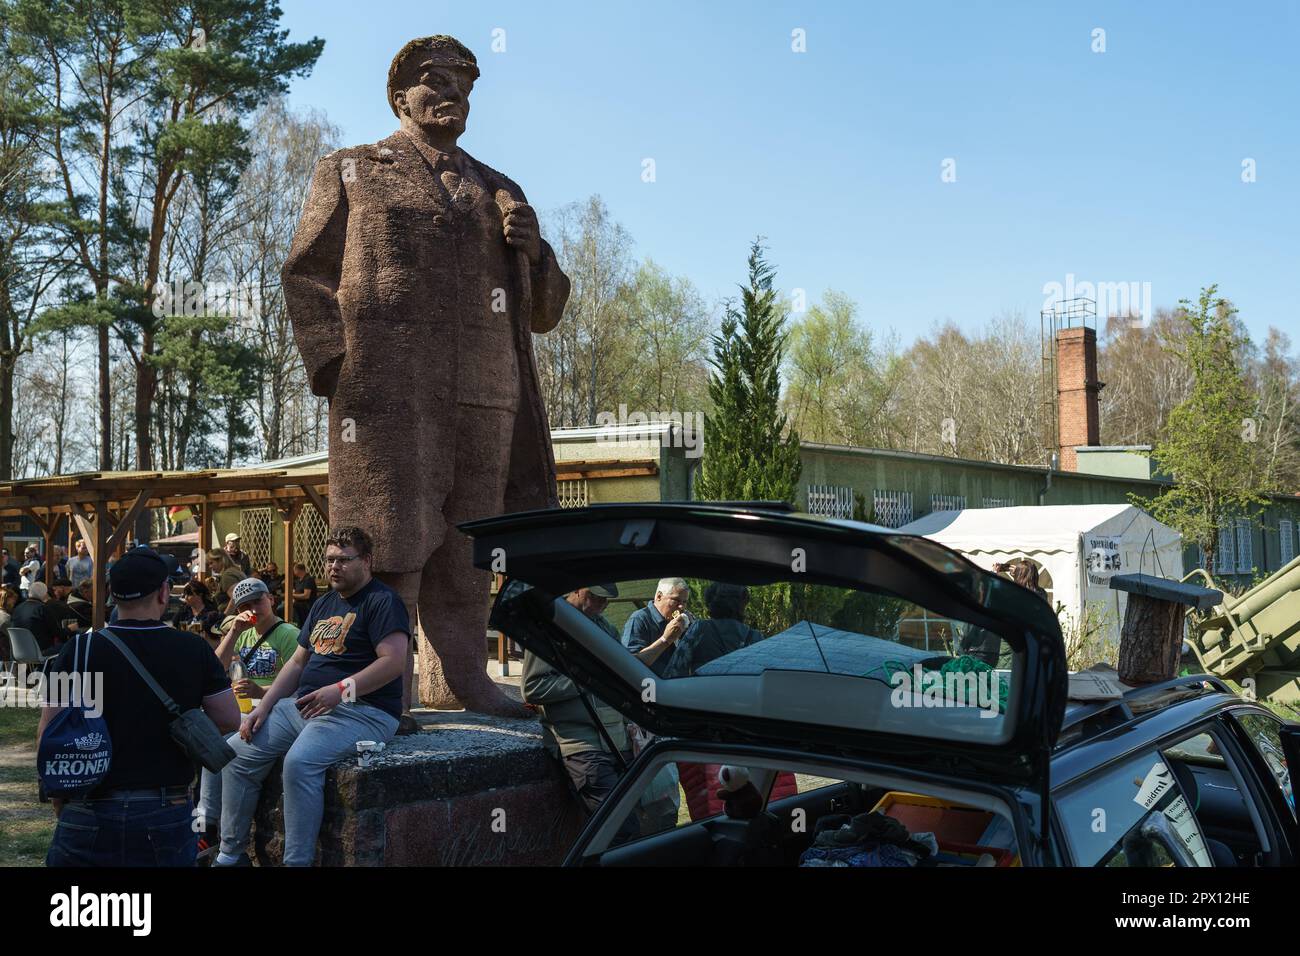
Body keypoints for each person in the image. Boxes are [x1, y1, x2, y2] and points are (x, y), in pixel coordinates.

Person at [283, 34, 571, 718]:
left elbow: (545, 310)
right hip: (389, 392)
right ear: (400, 96)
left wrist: (536, 254)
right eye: (435, 81)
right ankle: (386, 686)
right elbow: (305, 271)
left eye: (464, 86)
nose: (453, 94)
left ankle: (462, 676)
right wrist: (335, 365)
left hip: (485, 390)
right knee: (392, 537)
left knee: (470, 543)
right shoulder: (352, 168)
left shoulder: (501, 190)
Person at [214, 527, 408, 867]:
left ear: (367, 561)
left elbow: (393, 662)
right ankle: (230, 855)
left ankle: (297, 862)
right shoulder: (324, 602)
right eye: (329, 559)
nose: (333, 567)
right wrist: (265, 706)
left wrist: (340, 691)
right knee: (233, 753)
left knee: (300, 763)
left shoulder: (383, 601)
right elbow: (297, 662)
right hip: (304, 707)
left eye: (343, 560)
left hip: (363, 711)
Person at [38, 547, 241, 867]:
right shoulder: (193, 649)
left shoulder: (78, 650)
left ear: (111, 595)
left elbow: (49, 734)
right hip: (166, 805)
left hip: (88, 804)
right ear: (163, 593)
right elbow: (230, 719)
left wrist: (59, 799)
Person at [522, 584, 638, 839]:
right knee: (620, 830)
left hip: (618, 743)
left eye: (606, 601)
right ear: (576, 589)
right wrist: (586, 681)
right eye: (595, 597)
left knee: (629, 828)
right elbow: (532, 688)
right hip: (582, 745)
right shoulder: (548, 627)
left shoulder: (606, 628)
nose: (601, 605)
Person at [197, 577, 301, 854]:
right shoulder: (241, 632)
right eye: (245, 604)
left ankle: (211, 831)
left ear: (271, 599)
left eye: (258, 600)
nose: (253, 608)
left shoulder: (289, 634)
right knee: (206, 740)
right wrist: (233, 632)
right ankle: (206, 824)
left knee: (219, 748)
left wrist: (260, 688)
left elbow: (299, 685)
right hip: (241, 711)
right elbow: (214, 669)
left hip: (272, 712)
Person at [663, 583, 765, 678]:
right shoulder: (756, 637)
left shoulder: (700, 629)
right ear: (743, 604)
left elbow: (673, 671)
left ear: (710, 603)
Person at [621, 578, 692, 677]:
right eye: (676, 600)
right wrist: (665, 640)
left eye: (684, 602)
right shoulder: (639, 619)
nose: (681, 607)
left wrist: (693, 632)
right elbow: (630, 664)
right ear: (659, 596)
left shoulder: (682, 622)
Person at [12, 581, 60, 652]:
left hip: (19, 651)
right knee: (66, 646)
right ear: (44, 594)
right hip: (40, 651)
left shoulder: (17, 608)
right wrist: (69, 629)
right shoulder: (43, 609)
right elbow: (57, 632)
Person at [175, 579, 222, 646]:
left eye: (189, 595)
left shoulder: (212, 614)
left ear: (200, 595)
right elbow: (175, 628)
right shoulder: (183, 611)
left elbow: (216, 639)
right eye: (185, 594)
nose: (186, 597)